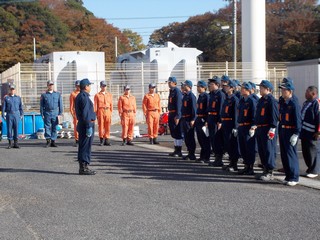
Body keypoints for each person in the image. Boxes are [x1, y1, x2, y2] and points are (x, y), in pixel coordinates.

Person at [249, 80, 279, 181]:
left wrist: (273, 128)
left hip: (267, 128)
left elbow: (274, 116)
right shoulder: (261, 100)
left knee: (268, 150)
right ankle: (265, 170)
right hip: (260, 128)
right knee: (262, 150)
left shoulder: (271, 100)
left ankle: (270, 172)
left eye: (262, 87)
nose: (260, 89)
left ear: (268, 89)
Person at [278, 81, 301, 186]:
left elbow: (298, 120)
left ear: (290, 91)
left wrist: (296, 133)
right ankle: (288, 176)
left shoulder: (294, 103)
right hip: (283, 130)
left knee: (291, 154)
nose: (282, 92)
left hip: (290, 131)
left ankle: (294, 177)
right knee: (284, 154)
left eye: (284, 90)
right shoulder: (283, 102)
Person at [75, 78, 96, 175]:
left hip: (83, 124)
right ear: (86, 87)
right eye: (89, 85)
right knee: (85, 147)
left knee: (83, 146)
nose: (90, 87)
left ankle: (83, 166)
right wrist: (88, 126)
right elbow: (86, 113)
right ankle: (84, 167)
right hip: (86, 124)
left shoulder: (80, 96)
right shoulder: (84, 97)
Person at [300, 86, 320, 178]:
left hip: (312, 133)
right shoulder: (307, 103)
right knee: (306, 151)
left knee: (313, 151)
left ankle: (314, 170)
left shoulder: (317, 103)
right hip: (305, 132)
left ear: (313, 94)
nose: (305, 93)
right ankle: (310, 168)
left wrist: (318, 132)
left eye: (307, 92)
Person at [237, 82, 257, 175]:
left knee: (249, 148)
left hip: (248, 126)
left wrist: (253, 126)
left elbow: (254, 115)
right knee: (243, 147)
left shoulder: (252, 101)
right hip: (241, 126)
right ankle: (246, 165)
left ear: (248, 90)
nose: (241, 90)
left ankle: (250, 167)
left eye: (243, 88)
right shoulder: (242, 100)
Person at [220, 80, 240, 171]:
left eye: (227, 86)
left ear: (231, 88)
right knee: (227, 144)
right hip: (225, 123)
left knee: (232, 144)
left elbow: (236, 114)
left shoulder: (234, 99)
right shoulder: (227, 98)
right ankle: (231, 162)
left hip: (231, 124)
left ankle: (234, 164)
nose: (225, 87)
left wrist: (235, 127)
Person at [40, 80, 63, 147]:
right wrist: (42, 113)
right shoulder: (44, 95)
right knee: (47, 127)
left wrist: (60, 113)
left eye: (52, 85)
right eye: (50, 85)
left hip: (55, 112)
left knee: (54, 127)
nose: (51, 86)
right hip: (47, 112)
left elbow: (60, 104)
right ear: (47, 86)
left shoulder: (57, 94)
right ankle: (48, 140)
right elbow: (41, 105)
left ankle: (53, 141)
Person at [2, 84, 23, 149]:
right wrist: (3, 115)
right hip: (9, 114)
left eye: (13, 89)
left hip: (16, 114)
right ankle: (10, 143)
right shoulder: (6, 98)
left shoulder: (18, 98)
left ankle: (16, 143)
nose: (12, 90)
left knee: (16, 129)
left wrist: (21, 114)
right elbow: (4, 108)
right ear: (9, 90)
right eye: (11, 89)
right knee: (9, 129)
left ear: (15, 90)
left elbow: (21, 107)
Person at [180, 80, 197, 160]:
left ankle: (192, 153)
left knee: (190, 137)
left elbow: (194, 109)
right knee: (186, 137)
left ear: (189, 86)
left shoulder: (191, 96)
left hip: (189, 118)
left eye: (185, 85)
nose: (183, 86)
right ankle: (189, 152)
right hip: (184, 118)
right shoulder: (185, 95)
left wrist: (193, 119)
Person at [167, 77, 183, 157]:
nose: (168, 84)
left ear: (174, 83)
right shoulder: (172, 91)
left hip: (175, 114)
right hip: (171, 113)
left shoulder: (177, 92)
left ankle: (179, 150)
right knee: (173, 131)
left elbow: (178, 105)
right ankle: (176, 149)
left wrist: (178, 116)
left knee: (177, 132)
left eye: (170, 82)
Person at [195, 80, 210, 163]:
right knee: (200, 139)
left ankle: (206, 157)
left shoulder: (206, 97)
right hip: (199, 118)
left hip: (204, 119)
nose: (197, 88)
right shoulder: (200, 96)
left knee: (205, 139)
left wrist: (207, 120)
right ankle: (202, 156)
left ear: (204, 87)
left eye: (199, 87)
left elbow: (207, 110)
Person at [94, 80, 113, 146]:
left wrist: (110, 112)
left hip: (107, 111)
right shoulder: (97, 95)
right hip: (101, 111)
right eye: (102, 86)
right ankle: (101, 139)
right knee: (101, 126)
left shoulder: (109, 95)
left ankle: (107, 139)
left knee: (107, 126)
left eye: (105, 86)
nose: (104, 87)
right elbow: (95, 105)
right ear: (100, 87)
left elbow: (111, 104)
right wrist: (96, 113)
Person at [69, 80, 81, 147]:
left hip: (83, 112)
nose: (78, 87)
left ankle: (82, 139)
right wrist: (73, 114)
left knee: (83, 126)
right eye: (77, 86)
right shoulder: (73, 94)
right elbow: (71, 105)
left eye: (79, 86)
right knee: (76, 126)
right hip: (76, 112)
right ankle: (77, 140)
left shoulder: (83, 93)